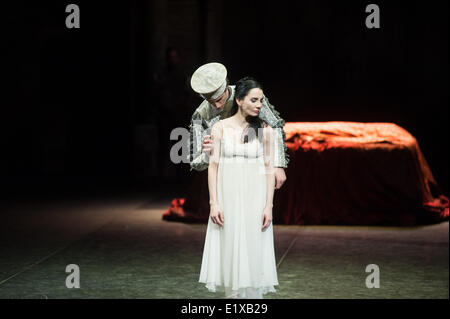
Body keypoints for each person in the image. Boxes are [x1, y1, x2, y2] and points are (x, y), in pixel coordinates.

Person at [199, 77, 279, 299]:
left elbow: (269, 169)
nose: (259, 105)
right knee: (230, 249)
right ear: (240, 100)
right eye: (254, 100)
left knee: (253, 251)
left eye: (261, 101)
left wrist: (268, 206)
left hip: (254, 197)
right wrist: (214, 203)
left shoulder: (265, 130)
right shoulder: (220, 128)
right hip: (229, 195)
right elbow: (213, 166)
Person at [188, 62, 289, 189]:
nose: (218, 106)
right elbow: (195, 162)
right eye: (211, 102)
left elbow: (275, 125)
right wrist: (207, 154)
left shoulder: (248, 96)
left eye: (219, 99)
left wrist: (278, 164)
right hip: (226, 176)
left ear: (227, 88)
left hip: (255, 165)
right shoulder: (200, 115)